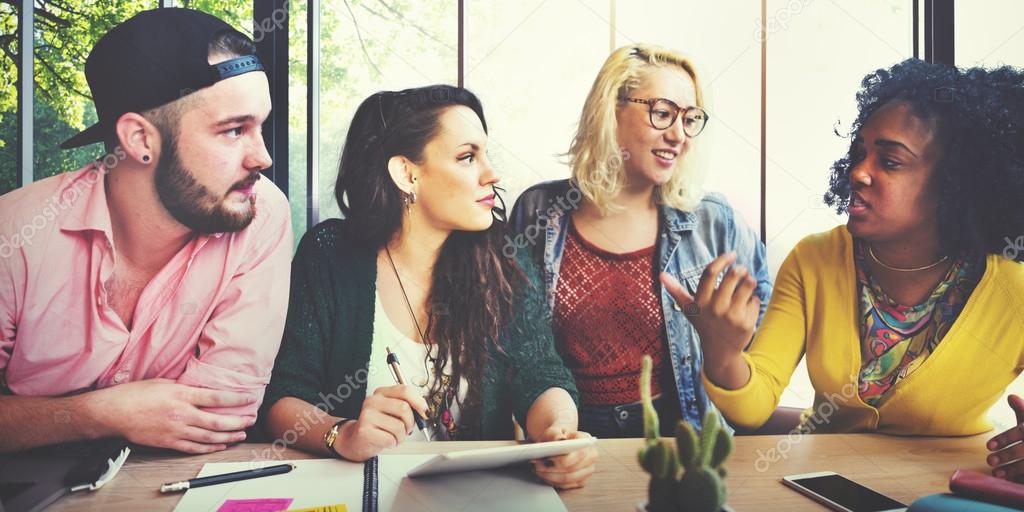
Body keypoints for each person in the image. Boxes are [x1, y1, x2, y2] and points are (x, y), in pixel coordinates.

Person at [660, 59, 1024, 473]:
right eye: (859, 153)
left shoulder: (1013, 290)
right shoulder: (815, 260)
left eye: (889, 162)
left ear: (954, 183)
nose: (858, 173)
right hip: (828, 486)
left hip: (950, 490)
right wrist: (723, 353)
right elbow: (754, 404)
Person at [262, 85, 597, 489]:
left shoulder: (503, 256)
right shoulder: (329, 254)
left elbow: (540, 374)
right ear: (407, 173)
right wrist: (342, 433)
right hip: (359, 491)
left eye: (486, 156)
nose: (492, 175)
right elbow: (284, 397)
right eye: (467, 157)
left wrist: (558, 436)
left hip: (473, 496)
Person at [0, 8, 292, 454]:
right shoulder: (16, 232)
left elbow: (219, 416)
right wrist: (100, 414)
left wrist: (35, 419)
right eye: (234, 131)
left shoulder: (261, 214)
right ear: (139, 140)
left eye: (261, 126)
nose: (262, 158)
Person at [509, 44, 771, 437]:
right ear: (611, 110)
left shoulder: (715, 221)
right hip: (568, 435)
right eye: (663, 113)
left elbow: (763, 353)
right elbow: (518, 347)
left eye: (690, 118)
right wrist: (551, 431)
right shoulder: (539, 211)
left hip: (683, 436)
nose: (679, 134)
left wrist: (726, 348)